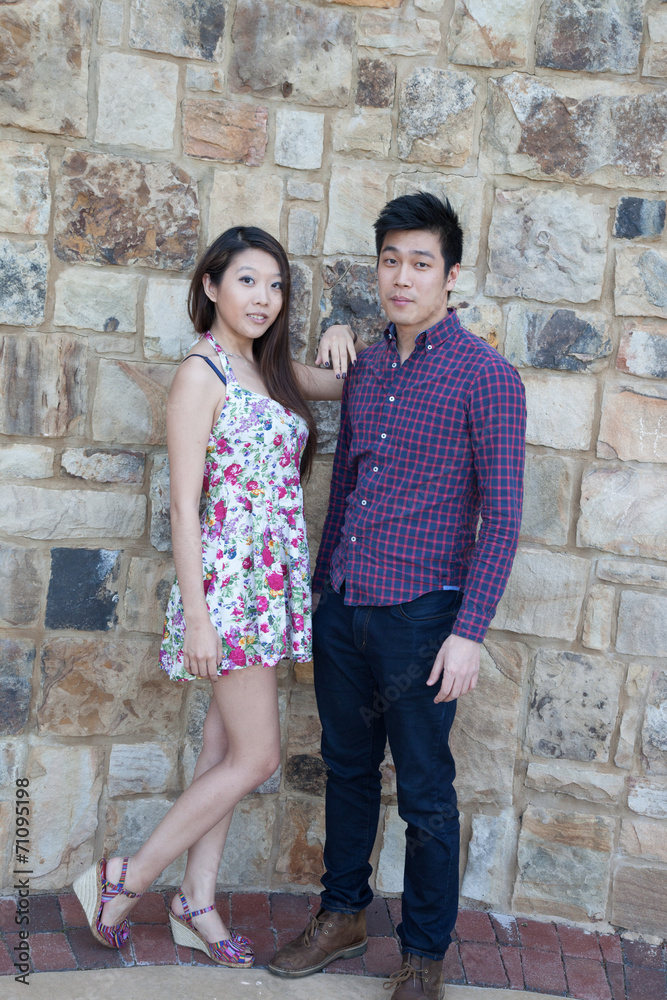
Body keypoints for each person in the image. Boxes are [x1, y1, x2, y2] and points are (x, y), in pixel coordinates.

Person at [73, 226, 364, 967]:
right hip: (230, 590)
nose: (262, 298)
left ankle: (195, 900)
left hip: (271, 586)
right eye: (246, 281)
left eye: (274, 285)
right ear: (211, 286)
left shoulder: (267, 371)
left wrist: (342, 332)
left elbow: (354, 379)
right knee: (258, 756)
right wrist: (198, 619)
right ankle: (125, 877)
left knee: (223, 747)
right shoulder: (202, 374)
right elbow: (182, 507)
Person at [268, 192, 526, 998]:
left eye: (419, 263)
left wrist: (469, 631)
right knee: (345, 769)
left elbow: (505, 516)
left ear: (449, 275)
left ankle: (421, 956)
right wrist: (319, 593)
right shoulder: (368, 365)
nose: (402, 277)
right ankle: (342, 913)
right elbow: (344, 488)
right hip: (346, 606)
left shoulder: (486, 375)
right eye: (390, 261)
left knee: (423, 791)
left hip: (423, 617)